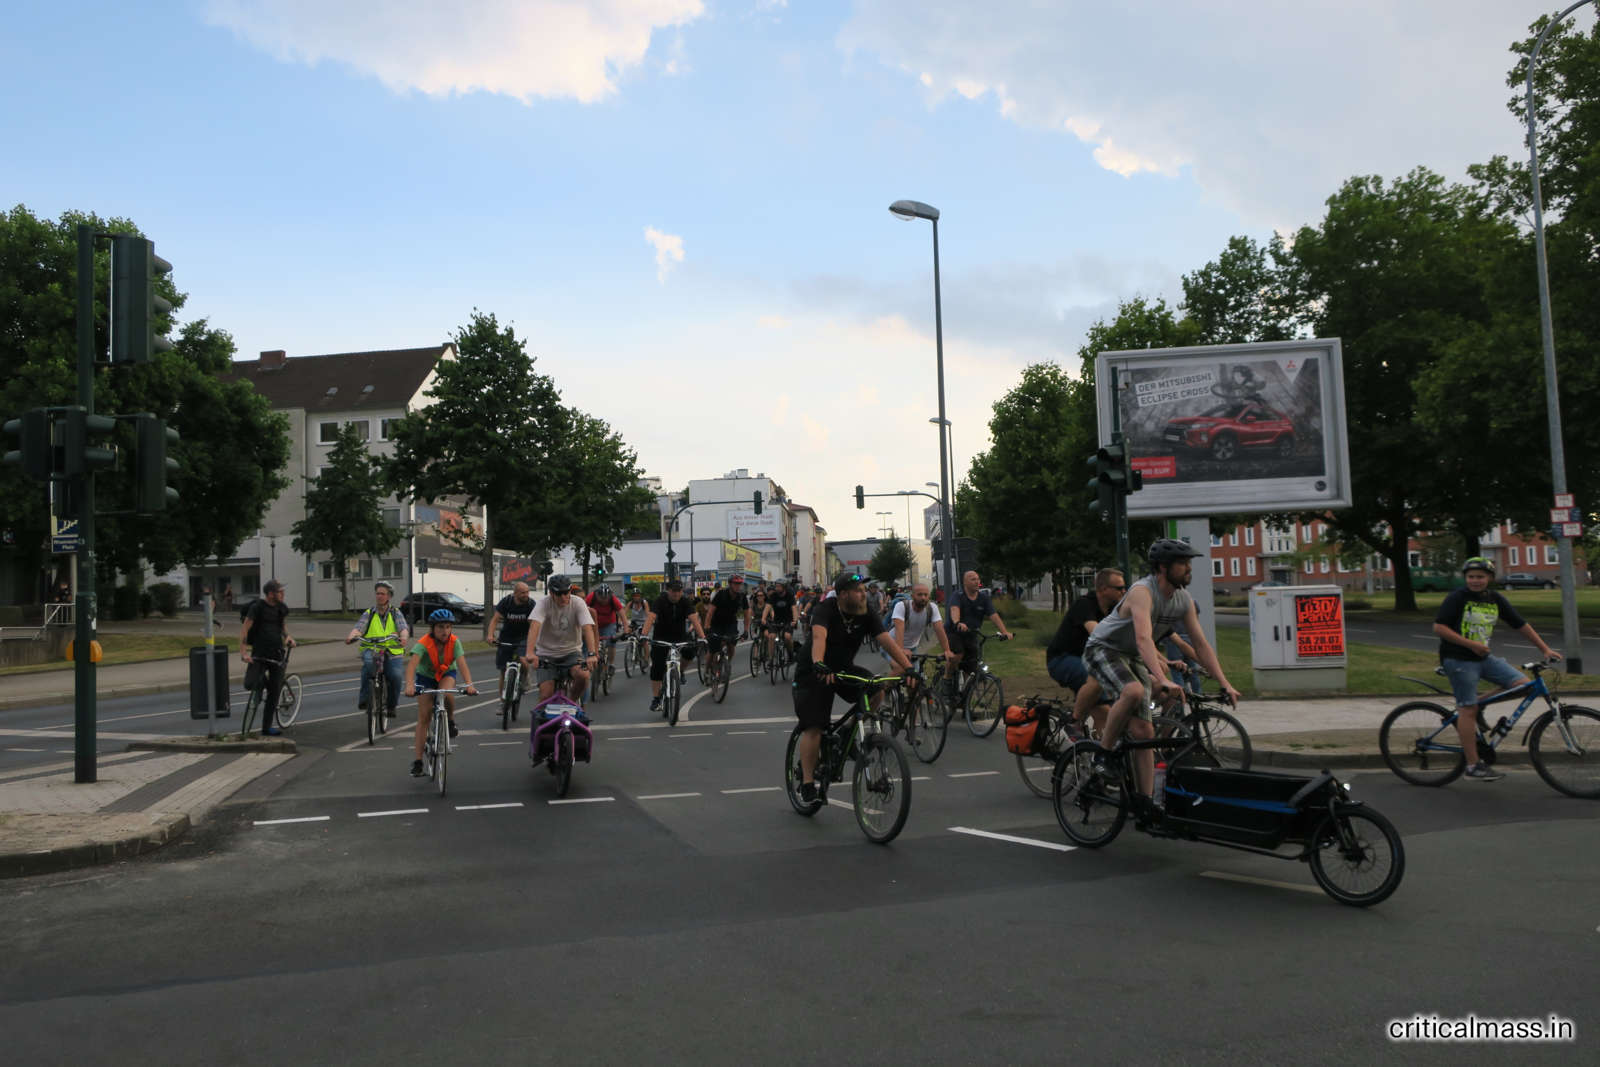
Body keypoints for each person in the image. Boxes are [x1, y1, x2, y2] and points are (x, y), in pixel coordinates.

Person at [1083, 540, 1241, 799]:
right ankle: (1104, 754)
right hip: (1103, 649)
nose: (1189, 568)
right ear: (1162, 567)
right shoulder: (1142, 592)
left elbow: (1200, 644)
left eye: (1189, 563)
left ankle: (1145, 802)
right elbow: (1144, 638)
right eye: (1182, 563)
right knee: (1133, 691)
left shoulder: (1183, 600)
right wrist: (1161, 678)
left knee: (1144, 733)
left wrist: (1225, 682)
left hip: (1131, 655)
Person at [791, 572, 917, 802]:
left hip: (843, 668)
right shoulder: (825, 609)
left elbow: (886, 641)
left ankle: (847, 730)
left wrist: (908, 668)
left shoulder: (867, 611)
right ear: (842, 594)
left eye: (862, 590)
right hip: (814, 671)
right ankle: (808, 781)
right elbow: (819, 638)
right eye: (857, 590)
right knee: (814, 726)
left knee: (875, 688)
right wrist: (819, 664)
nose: (862, 594)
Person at [1433, 556, 1561, 781]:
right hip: (1458, 659)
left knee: (1524, 686)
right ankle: (1473, 766)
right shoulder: (1457, 598)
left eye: (1480, 577)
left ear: (1489, 578)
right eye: (1471, 577)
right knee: (1467, 709)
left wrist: (1545, 649)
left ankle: (1479, 704)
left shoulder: (1494, 599)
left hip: (1483, 657)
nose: (1475, 581)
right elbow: (1439, 628)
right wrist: (1471, 644)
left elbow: (1520, 624)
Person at [1047, 568, 1126, 734]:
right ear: (1104, 589)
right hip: (1062, 659)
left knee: (1105, 713)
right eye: (1119, 588)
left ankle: (1095, 754)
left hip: (1088, 662)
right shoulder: (1085, 604)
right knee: (1097, 679)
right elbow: (1097, 633)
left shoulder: (1113, 610)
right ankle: (1074, 722)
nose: (1124, 591)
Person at [403, 609, 478, 776]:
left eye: (448, 627)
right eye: (440, 627)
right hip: (425, 677)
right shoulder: (423, 643)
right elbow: (411, 666)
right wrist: (409, 685)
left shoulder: (455, 642)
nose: (445, 631)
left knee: (446, 692)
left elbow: (462, 664)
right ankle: (418, 761)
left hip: (446, 674)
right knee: (424, 717)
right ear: (432, 629)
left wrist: (469, 685)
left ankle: (450, 722)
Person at [524, 574, 598, 704]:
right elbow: (534, 626)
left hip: (571, 652)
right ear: (551, 593)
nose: (564, 597)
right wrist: (530, 652)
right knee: (546, 694)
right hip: (546, 654)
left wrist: (592, 653)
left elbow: (587, 628)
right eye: (559, 594)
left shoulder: (578, 603)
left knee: (583, 675)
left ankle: (572, 702)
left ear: (570, 590)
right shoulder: (543, 603)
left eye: (566, 593)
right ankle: (540, 723)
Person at [344, 580, 410, 719]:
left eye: (383, 594)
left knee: (396, 676)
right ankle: (365, 699)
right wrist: (351, 637)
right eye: (377, 593)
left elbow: (403, 628)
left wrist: (403, 638)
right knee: (368, 665)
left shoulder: (395, 613)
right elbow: (359, 628)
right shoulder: (369, 613)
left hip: (392, 650)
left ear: (389, 596)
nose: (379, 596)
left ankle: (391, 706)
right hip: (371, 648)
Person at [945, 570, 1015, 700]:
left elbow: (993, 615)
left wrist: (1004, 632)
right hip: (954, 632)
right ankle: (947, 680)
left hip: (972, 633)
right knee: (958, 653)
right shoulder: (958, 595)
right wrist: (958, 622)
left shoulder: (983, 598)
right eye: (973, 579)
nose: (977, 581)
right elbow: (954, 610)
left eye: (978, 579)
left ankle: (964, 699)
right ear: (965, 582)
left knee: (971, 666)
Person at [642, 578, 707, 714]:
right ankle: (656, 698)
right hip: (661, 636)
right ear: (668, 591)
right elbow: (651, 617)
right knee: (657, 666)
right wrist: (644, 634)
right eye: (673, 591)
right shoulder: (660, 601)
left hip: (679, 635)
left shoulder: (685, 602)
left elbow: (694, 619)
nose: (676, 594)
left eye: (679, 591)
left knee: (690, 651)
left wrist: (703, 638)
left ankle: (681, 671)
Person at [240, 580, 296, 736]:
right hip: (259, 653)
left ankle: (266, 727)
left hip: (277, 654)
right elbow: (245, 629)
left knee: (274, 691)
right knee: (250, 683)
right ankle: (262, 684)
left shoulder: (281, 608)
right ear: (271, 594)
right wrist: (244, 653)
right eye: (280, 591)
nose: (283, 594)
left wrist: (288, 637)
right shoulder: (257, 608)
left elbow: (282, 626)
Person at [891, 582, 958, 673]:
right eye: (919, 595)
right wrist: (901, 650)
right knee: (901, 668)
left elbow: (939, 629)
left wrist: (947, 650)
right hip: (892, 645)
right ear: (912, 596)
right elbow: (899, 629)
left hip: (912, 647)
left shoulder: (932, 608)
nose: (923, 598)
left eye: (926, 595)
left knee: (915, 677)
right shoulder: (902, 606)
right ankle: (884, 687)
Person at [488, 580, 536, 692]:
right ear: (515, 593)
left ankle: (525, 676)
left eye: (527, 592)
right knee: (503, 671)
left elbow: (534, 625)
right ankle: (502, 703)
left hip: (524, 637)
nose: (526, 595)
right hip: (506, 637)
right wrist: (490, 635)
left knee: (523, 660)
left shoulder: (531, 604)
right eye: (523, 593)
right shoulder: (506, 602)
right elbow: (495, 620)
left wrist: (535, 640)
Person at [704, 574, 751, 675]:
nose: (738, 586)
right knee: (713, 649)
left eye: (739, 584)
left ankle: (726, 664)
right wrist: (707, 627)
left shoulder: (742, 596)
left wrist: (746, 631)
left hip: (731, 623)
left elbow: (747, 615)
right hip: (717, 623)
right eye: (736, 584)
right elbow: (710, 612)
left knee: (731, 645)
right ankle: (707, 669)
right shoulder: (721, 594)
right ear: (730, 584)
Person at [585, 583, 625, 678]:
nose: (604, 600)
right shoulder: (591, 597)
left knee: (611, 641)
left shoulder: (613, 599)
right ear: (597, 595)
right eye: (601, 598)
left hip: (609, 623)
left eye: (606, 598)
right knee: (590, 641)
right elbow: (582, 610)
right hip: (594, 623)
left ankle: (610, 664)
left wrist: (626, 628)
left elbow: (621, 612)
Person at [761, 579, 798, 663]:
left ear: (784, 587)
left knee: (787, 637)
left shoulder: (790, 596)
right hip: (776, 620)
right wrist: (763, 618)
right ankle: (771, 659)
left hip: (788, 620)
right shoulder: (773, 596)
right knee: (771, 636)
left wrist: (795, 620)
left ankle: (790, 654)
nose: (777, 588)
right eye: (776, 586)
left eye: (779, 586)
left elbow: (794, 609)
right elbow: (767, 607)